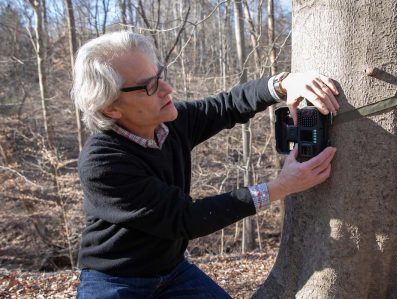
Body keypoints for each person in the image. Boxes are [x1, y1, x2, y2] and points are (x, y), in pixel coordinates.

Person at [72, 31, 339, 299]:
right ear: (110, 109)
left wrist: (283, 84)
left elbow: (227, 106)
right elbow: (186, 218)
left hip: (173, 272)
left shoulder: (170, 123)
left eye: (160, 76)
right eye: (150, 86)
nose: (167, 89)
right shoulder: (102, 163)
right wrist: (280, 187)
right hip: (113, 280)